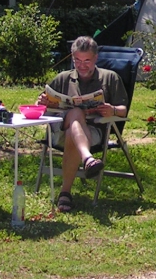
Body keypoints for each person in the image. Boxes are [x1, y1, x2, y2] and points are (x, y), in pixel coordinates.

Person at [38, 36, 128, 213]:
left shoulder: (110, 78)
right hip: (59, 132)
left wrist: (113, 110)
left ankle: (65, 193)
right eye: (77, 60)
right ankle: (88, 159)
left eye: (87, 60)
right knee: (75, 113)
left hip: (93, 133)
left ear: (95, 58)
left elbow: (123, 110)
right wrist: (43, 102)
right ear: (72, 59)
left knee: (74, 127)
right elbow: (41, 105)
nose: (82, 65)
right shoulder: (63, 78)